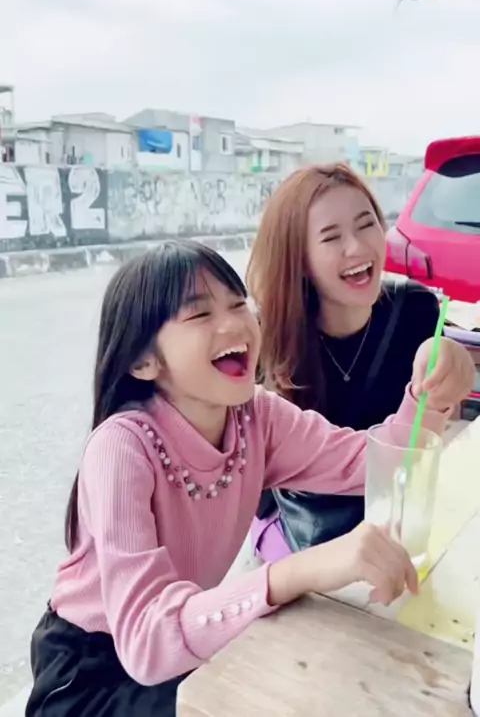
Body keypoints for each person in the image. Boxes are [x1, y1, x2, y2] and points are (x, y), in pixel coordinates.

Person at [26, 241, 468, 717]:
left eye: (238, 304)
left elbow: (373, 465)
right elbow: (147, 642)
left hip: (185, 642)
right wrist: (301, 570)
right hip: (91, 675)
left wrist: (432, 395)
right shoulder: (121, 448)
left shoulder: (256, 418)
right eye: (200, 314)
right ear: (143, 361)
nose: (235, 324)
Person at [247, 164, 475, 561]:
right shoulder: (265, 337)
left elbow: (423, 439)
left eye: (366, 224)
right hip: (300, 534)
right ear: (298, 258)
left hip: (393, 519)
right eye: (331, 237)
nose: (356, 247)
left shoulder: (415, 310)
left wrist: (448, 375)